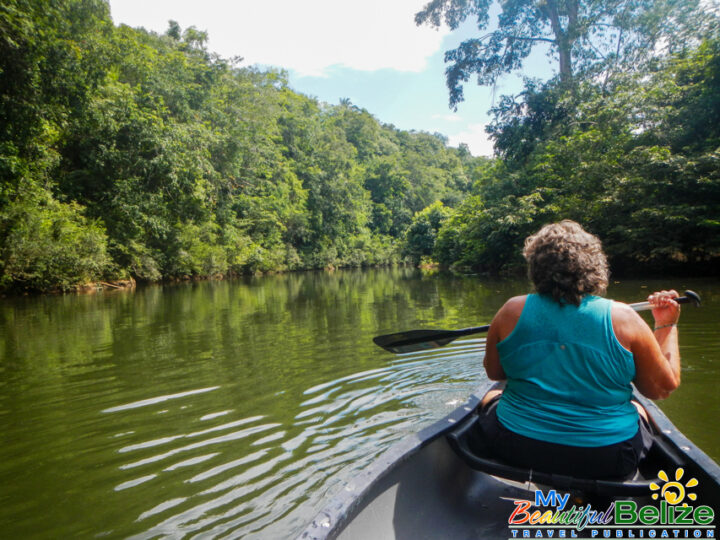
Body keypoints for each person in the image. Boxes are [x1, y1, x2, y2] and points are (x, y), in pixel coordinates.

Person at [479, 220, 681, 479]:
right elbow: (661, 389)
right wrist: (666, 324)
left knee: (490, 395)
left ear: (535, 268)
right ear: (594, 265)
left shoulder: (510, 311)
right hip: (608, 458)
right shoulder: (625, 318)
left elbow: (495, 373)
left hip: (517, 447)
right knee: (640, 408)